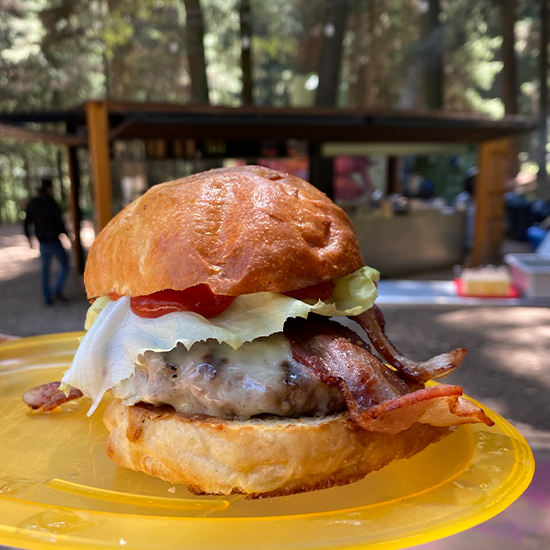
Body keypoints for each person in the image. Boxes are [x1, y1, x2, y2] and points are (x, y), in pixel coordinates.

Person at [24, 178, 70, 305]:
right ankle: (57, 290)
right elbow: (59, 221)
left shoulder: (33, 203)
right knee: (65, 266)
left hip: (43, 243)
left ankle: (47, 297)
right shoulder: (51, 203)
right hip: (53, 241)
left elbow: (27, 222)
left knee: (45, 270)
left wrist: (29, 238)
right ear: (48, 189)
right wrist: (67, 236)